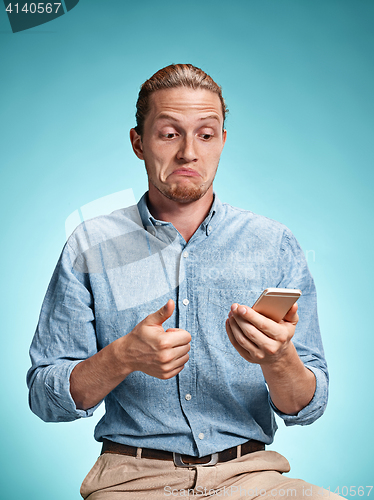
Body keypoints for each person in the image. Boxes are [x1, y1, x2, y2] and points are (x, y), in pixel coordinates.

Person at [27, 64, 337, 499]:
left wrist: (279, 358)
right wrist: (121, 357)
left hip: (252, 478)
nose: (189, 152)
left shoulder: (274, 243)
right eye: (169, 134)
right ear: (138, 143)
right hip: (132, 482)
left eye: (206, 135)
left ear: (223, 142)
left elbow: (307, 408)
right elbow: (44, 396)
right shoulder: (91, 244)